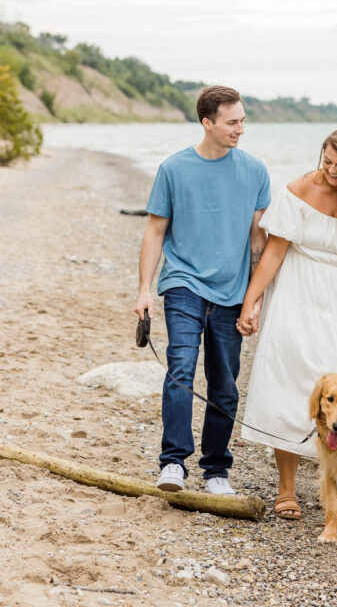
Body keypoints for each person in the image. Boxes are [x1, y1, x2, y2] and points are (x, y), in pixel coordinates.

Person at [236, 126, 337, 519]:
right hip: (293, 298)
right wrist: (251, 300)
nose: (330, 171)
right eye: (326, 161)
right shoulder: (297, 191)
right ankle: (287, 489)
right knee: (288, 387)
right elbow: (275, 253)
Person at [134, 85, 270, 495]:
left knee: (225, 384)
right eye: (232, 122)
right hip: (183, 283)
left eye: (243, 120)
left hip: (231, 293)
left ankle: (216, 470)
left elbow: (257, 241)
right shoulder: (174, 169)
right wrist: (143, 290)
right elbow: (155, 230)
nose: (241, 129)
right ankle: (173, 462)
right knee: (180, 369)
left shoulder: (255, 171)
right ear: (207, 123)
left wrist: (254, 298)